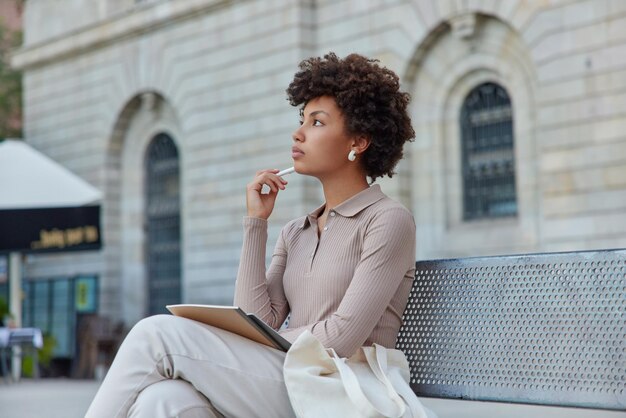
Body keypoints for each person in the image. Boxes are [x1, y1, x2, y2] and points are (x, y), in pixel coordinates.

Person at [85, 52, 417, 418]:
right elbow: (258, 319)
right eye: (302, 119)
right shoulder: (296, 231)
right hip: (292, 375)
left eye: (317, 122)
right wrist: (256, 223)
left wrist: (257, 344)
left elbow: (341, 337)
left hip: (344, 387)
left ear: (358, 142)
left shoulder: (388, 220)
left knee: (155, 335)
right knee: (163, 401)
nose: (299, 132)